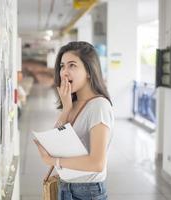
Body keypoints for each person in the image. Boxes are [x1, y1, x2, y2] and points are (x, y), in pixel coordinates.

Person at [34, 41, 114, 200]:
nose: (64, 72)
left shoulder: (99, 106)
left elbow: (97, 163)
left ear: (89, 71)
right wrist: (66, 109)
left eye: (72, 65)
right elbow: (57, 141)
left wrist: (53, 161)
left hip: (87, 192)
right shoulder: (73, 103)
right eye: (62, 66)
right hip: (66, 186)